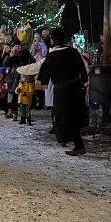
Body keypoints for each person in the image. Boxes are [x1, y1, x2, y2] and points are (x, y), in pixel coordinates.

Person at [38, 27, 89, 155]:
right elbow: (82, 68)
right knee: (74, 115)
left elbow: (45, 71)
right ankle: (76, 143)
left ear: (53, 39)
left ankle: (77, 145)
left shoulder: (53, 56)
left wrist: (43, 82)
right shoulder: (73, 52)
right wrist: (84, 81)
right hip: (76, 88)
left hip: (63, 91)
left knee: (65, 117)